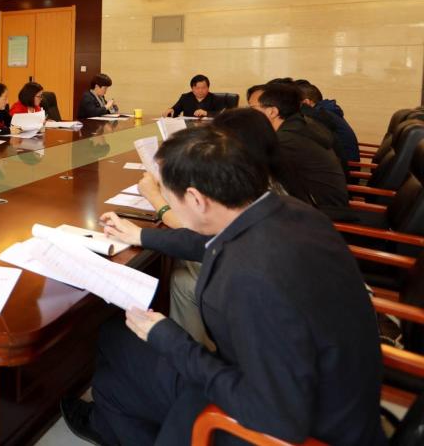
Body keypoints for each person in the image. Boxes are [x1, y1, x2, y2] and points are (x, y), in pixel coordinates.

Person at [61, 126, 385, 446]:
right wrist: (140, 235)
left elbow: (277, 418)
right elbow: (213, 242)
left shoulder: (251, 280)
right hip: (337, 395)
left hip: (295, 426)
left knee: (116, 358)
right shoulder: (288, 211)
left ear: (195, 199)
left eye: (168, 197)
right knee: (113, 354)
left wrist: (171, 339)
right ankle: (109, 420)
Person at [133, 108, 310, 350]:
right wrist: (140, 234)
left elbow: (203, 235)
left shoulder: (247, 274)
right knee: (182, 280)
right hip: (303, 318)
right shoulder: (272, 187)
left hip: (270, 348)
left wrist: (157, 200)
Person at [248, 83, 348, 209]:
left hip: (321, 212)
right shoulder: (300, 126)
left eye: (252, 108)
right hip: (321, 205)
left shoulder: (286, 140)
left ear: (272, 112)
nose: (248, 113)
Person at [294, 79, 360, 165]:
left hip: (346, 167)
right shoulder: (326, 110)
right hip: (342, 164)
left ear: (306, 102)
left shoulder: (319, 116)